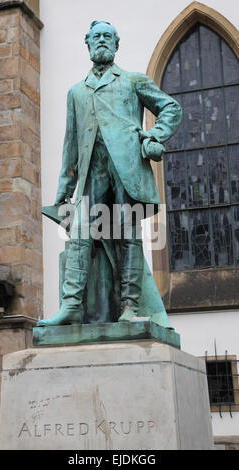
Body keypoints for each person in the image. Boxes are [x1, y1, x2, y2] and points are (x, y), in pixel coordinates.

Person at [37, 21, 182, 327]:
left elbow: (171, 108)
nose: (101, 41)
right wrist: (64, 188)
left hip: (127, 170)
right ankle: (72, 305)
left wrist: (154, 136)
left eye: (107, 37)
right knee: (79, 235)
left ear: (117, 45)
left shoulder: (132, 81)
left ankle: (129, 306)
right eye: (96, 37)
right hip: (93, 171)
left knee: (129, 236)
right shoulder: (76, 92)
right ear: (87, 44)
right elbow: (70, 145)